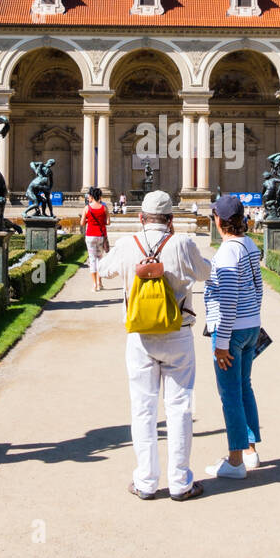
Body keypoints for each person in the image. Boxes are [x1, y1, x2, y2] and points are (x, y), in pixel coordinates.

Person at [98, 190, 212, 501]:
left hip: (139, 337)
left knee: (143, 410)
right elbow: (206, 273)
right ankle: (180, 483)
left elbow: (104, 268)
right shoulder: (182, 243)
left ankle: (146, 482)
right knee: (180, 408)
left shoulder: (127, 244)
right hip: (177, 333)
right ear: (171, 219)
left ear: (140, 218)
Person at [203, 194, 264, 480]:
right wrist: (254, 318)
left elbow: (227, 300)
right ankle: (251, 452)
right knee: (244, 388)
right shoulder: (249, 244)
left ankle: (236, 461)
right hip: (250, 326)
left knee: (230, 395)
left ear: (220, 220)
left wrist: (222, 343)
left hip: (231, 330)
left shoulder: (227, 252)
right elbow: (258, 287)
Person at [83, 187, 109, 291]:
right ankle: (99, 283)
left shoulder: (87, 208)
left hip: (90, 235)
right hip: (100, 236)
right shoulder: (104, 208)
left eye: (89, 195)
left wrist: (88, 220)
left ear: (92, 196)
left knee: (92, 260)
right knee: (100, 259)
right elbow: (108, 222)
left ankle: (94, 285)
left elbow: (82, 223)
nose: (88, 197)